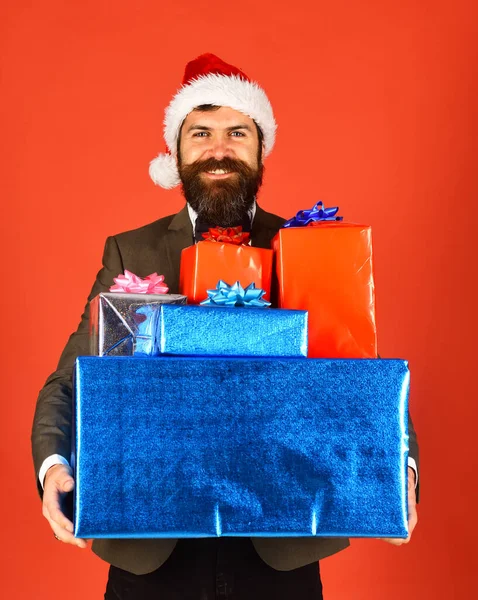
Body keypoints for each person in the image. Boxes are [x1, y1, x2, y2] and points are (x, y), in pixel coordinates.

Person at [32, 53, 419, 599]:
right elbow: (70, 379)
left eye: (238, 132)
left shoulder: (312, 246)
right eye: (201, 134)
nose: (219, 150)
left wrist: (398, 462)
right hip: (151, 542)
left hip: (281, 542)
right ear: (177, 151)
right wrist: (53, 467)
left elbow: (355, 368)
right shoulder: (132, 251)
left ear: (262, 149)